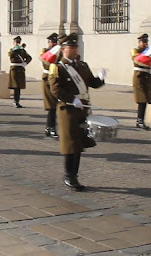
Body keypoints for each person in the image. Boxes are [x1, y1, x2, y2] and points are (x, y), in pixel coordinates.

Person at [49, 33, 105, 191]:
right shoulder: (57, 67)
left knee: (79, 143)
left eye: (76, 47)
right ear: (63, 49)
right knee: (70, 143)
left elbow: (92, 83)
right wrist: (71, 99)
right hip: (67, 109)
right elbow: (55, 89)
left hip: (83, 108)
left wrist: (101, 78)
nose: (74, 50)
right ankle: (69, 175)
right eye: (71, 48)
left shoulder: (82, 65)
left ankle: (75, 174)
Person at [131, 33, 151, 130]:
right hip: (139, 77)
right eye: (143, 42)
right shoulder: (135, 51)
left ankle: (140, 120)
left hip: (147, 77)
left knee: (146, 99)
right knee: (141, 100)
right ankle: (139, 121)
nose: (145, 44)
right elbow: (138, 60)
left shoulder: (150, 52)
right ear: (139, 42)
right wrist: (149, 52)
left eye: (146, 42)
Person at [40, 33, 61, 138]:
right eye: (52, 42)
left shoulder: (59, 52)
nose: (53, 44)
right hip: (47, 79)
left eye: (55, 42)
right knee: (51, 105)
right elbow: (45, 64)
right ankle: (51, 127)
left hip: (57, 79)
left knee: (56, 105)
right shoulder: (45, 51)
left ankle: (49, 127)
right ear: (48, 42)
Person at [8, 36, 32, 108]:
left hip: (20, 69)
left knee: (18, 87)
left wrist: (25, 63)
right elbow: (10, 55)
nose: (17, 43)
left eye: (18, 42)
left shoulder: (22, 50)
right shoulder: (12, 50)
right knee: (15, 86)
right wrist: (16, 49)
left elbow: (29, 57)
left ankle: (17, 101)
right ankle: (15, 101)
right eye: (16, 42)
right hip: (14, 69)